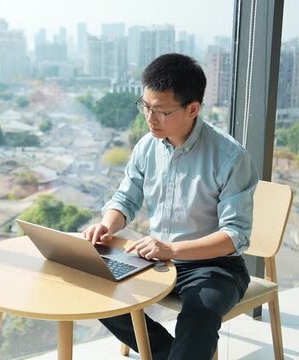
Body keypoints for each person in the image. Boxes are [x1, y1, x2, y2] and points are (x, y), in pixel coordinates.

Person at [82, 53, 258, 360]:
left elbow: (235, 237)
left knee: (199, 315)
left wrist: (173, 250)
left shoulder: (231, 157)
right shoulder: (147, 146)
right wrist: (107, 225)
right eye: (146, 107)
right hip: (157, 259)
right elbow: (126, 198)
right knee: (92, 285)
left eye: (161, 111)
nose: (149, 119)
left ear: (192, 109)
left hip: (215, 266)